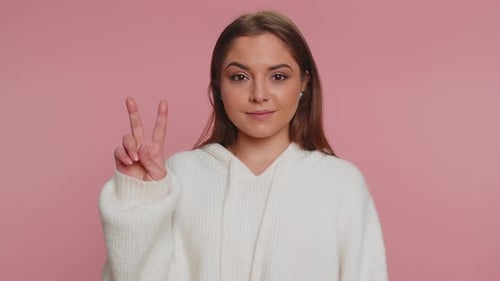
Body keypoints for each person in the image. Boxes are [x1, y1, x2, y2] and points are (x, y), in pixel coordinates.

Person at [99, 10, 388, 281]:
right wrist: (138, 198)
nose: (259, 94)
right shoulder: (180, 175)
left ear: (303, 83)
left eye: (278, 76)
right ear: (219, 88)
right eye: (240, 77)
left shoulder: (340, 183)